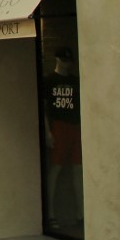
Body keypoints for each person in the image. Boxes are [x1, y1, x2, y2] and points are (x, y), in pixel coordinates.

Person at [43, 46, 83, 227]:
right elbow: (44, 108)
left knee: (77, 169)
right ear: (58, 60)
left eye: (69, 61)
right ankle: (50, 213)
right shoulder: (50, 81)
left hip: (75, 126)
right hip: (58, 125)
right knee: (56, 169)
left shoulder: (75, 81)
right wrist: (47, 131)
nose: (68, 65)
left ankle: (81, 212)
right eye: (65, 61)